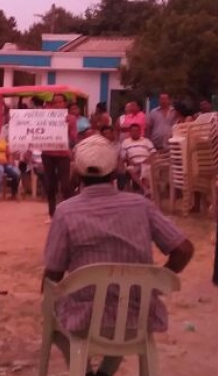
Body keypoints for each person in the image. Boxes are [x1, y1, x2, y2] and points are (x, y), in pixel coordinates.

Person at [43, 135, 194, 376]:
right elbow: (184, 249)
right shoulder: (140, 205)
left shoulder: (65, 211)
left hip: (85, 319)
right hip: (136, 314)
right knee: (125, 302)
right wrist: (156, 282)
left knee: (52, 310)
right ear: (115, 173)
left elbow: (53, 272)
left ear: (78, 175)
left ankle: (86, 373)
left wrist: (46, 295)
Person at [41, 93, 77, 218]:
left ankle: (68, 210)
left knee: (65, 184)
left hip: (63, 154)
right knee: (50, 184)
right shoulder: (45, 116)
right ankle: (52, 212)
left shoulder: (71, 118)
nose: (58, 104)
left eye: (60, 102)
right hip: (47, 153)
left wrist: (71, 148)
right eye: (55, 102)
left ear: (65, 103)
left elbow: (73, 137)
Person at [118, 124, 156, 192]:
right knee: (131, 170)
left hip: (146, 161)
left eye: (137, 131)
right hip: (134, 163)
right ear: (130, 132)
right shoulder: (125, 142)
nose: (135, 132)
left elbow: (153, 153)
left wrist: (147, 160)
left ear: (140, 131)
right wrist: (127, 161)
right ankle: (145, 189)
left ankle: (146, 190)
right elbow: (123, 156)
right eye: (133, 131)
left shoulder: (146, 140)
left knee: (145, 168)